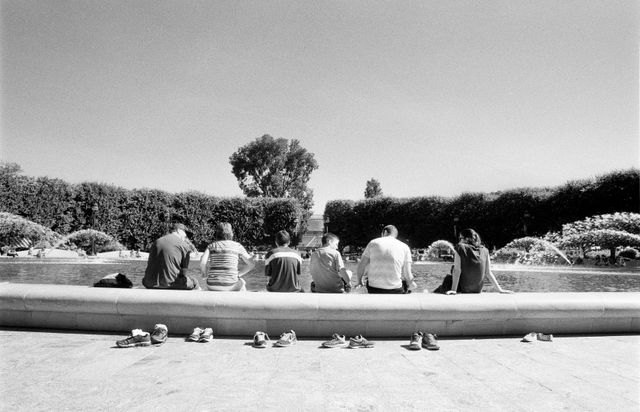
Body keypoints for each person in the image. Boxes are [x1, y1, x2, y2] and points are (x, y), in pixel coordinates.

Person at [443, 228, 512, 294]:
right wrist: (500, 290)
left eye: (460, 238)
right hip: (477, 289)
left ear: (466, 239)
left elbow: (457, 270)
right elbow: (488, 272)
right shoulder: (485, 250)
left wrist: (453, 290)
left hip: (464, 288)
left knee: (449, 276)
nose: (459, 240)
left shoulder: (460, 247)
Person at [356, 225, 416, 294]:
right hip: (395, 289)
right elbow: (408, 274)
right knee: (405, 283)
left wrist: (359, 281)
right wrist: (411, 284)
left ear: (385, 232)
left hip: (374, 289)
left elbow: (361, 265)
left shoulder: (373, 243)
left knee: (368, 279)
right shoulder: (405, 247)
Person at [199, 222, 255, 291]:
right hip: (231, 285)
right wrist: (239, 274)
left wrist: (205, 273)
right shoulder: (237, 246)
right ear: (231, 232)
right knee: (242, 282)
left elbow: (203, 262)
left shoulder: (211, 246)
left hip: (212, 284)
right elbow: (251, 264)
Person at [142, 223, 199, 290]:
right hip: (170, 284)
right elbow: (184, 274)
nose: (186, 236)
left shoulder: (157, 241)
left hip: (148, 283)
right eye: (185, 233)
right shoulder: (184, 246)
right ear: (178, 230)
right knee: (194, 281)